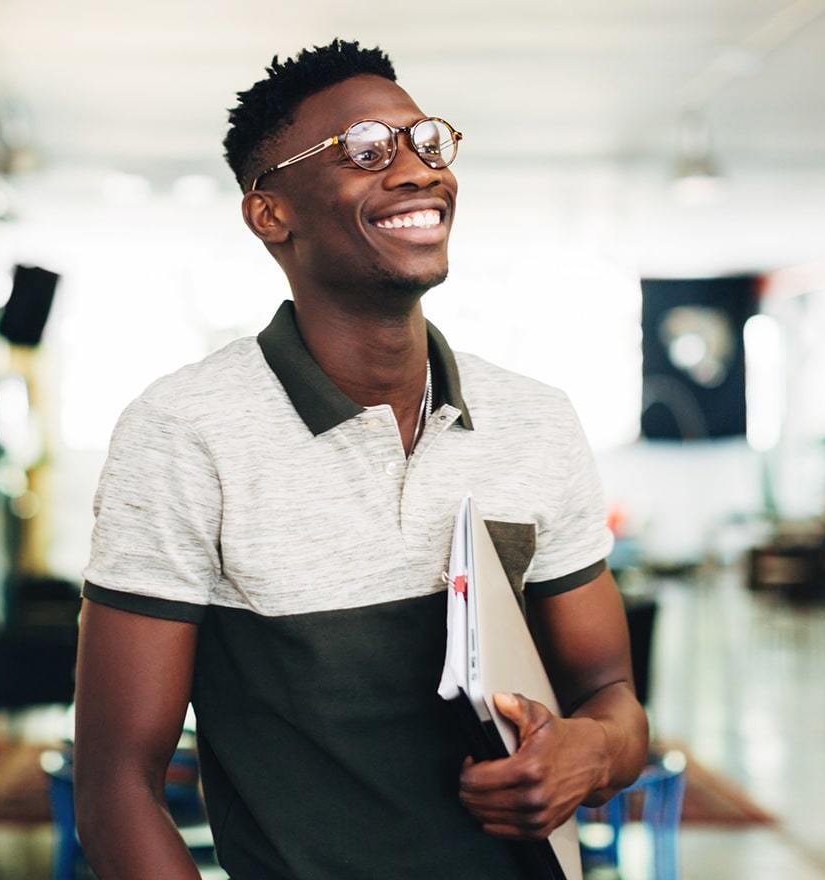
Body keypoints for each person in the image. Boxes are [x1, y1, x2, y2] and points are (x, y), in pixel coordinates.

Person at [73, 39, 649, 880]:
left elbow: (616, 702)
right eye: (367, 151)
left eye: (427, 143)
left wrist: (588, 756)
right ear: (271, 213)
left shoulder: (537, 422)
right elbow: (115, 784)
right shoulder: (185, 431)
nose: (418, 169)